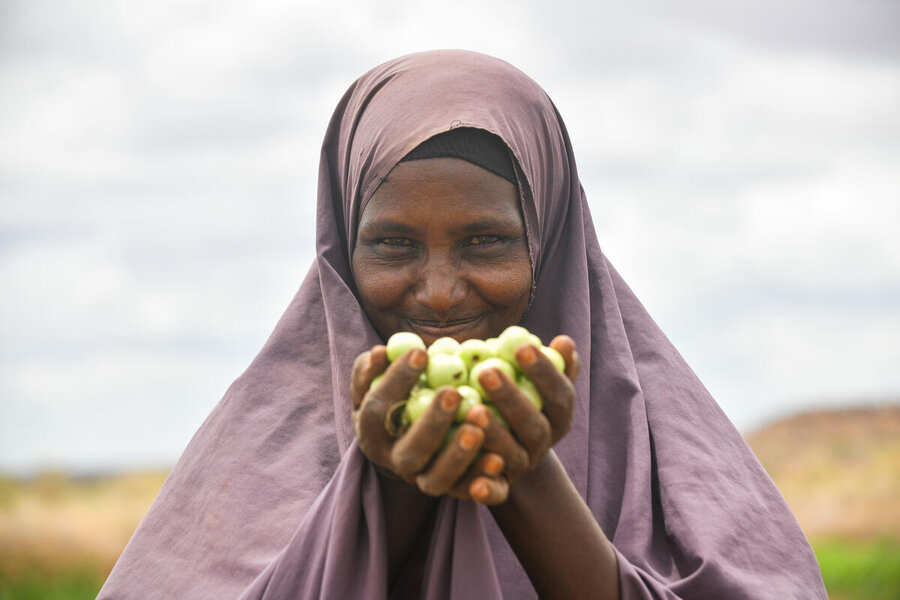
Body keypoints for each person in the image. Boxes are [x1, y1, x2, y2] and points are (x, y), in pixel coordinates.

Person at [99, 50, 827, 599]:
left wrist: (528, 475)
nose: (441, 295)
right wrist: (384, 484)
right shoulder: (268, 448)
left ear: (547, 240)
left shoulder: (658, 446)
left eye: (485, 242)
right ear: (340, 249)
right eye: (394, 245)